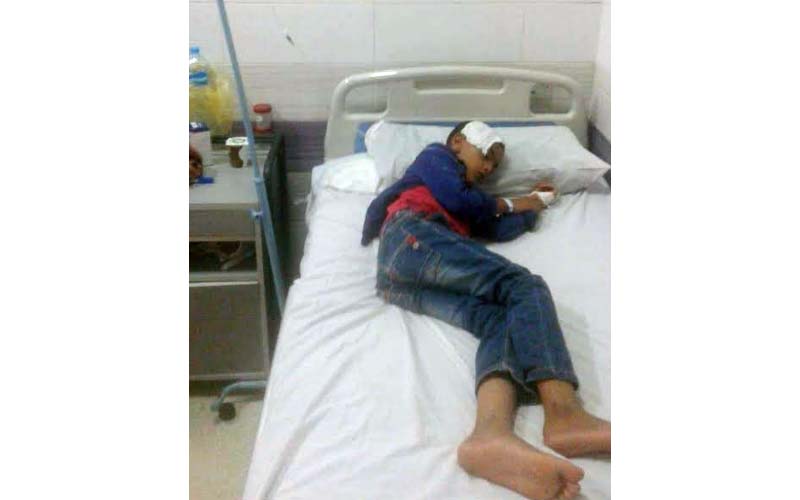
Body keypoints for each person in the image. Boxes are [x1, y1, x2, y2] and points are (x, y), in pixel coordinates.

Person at [361, 121, 611, 500]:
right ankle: (564, 413)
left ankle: (490, 435)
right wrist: (513, 202)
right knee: (524, 286)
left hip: (400, 281)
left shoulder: (472, 201)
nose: (491, 168)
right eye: (487, 156)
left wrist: (534, 206)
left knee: (497, 318)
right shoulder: (435, 158)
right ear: (458, 142)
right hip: (410, 236)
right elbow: (460, 199)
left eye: (496, 164)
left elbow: (499, 230)